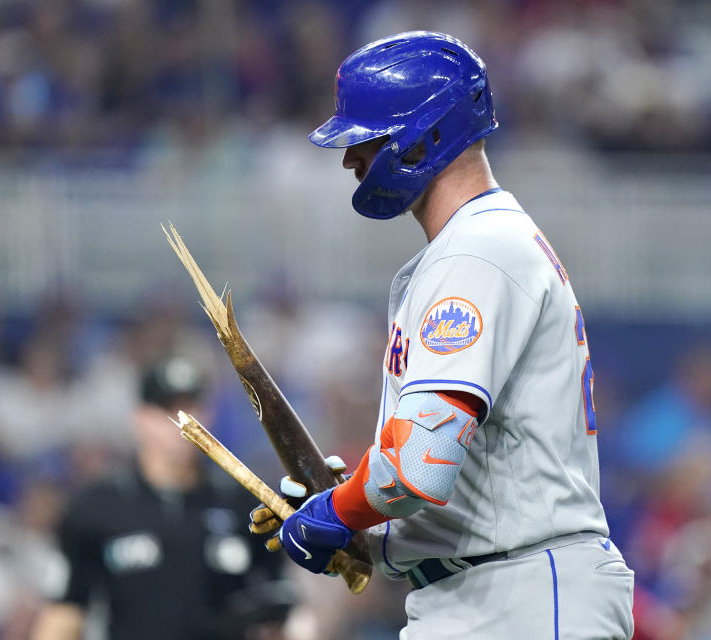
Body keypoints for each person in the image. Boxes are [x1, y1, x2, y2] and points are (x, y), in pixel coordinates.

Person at [250, 31, 635, 639]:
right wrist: (350, 511)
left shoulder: (477, 252)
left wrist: (340, 508)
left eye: (366, 140)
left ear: (425, 136)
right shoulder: (475, 246)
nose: (351, 160)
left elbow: (418, 467)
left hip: (523, 594)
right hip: (475, 592)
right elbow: (437, 472)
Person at [33, 356, 295, 640]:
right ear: (140, 419)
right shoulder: (96, 507)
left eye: (192, 407)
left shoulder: (246, 504)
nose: (182, 420)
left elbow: (281, 611)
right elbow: (64, 614)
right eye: (166, 409)